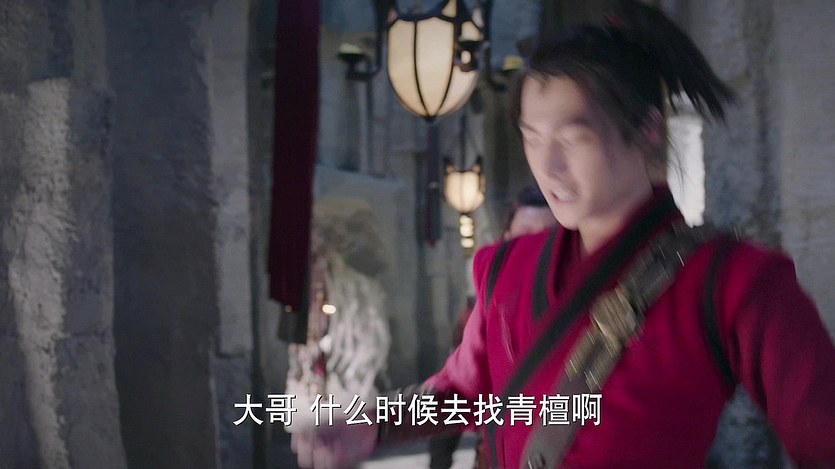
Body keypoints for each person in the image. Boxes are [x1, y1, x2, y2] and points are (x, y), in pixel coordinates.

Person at [291, 1, 835, 468]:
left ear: (648, 130)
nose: (547, 167)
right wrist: (372, 424)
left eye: (573, 139)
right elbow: (465, 392)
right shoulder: (507, 268)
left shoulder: (733, 283)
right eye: (532, 138)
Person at [428, 184, 558, 469]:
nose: (534, 248)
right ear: (507, 238)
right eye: (525, 236)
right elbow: (461, 387)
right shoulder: (487, 303)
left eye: (547, 237)